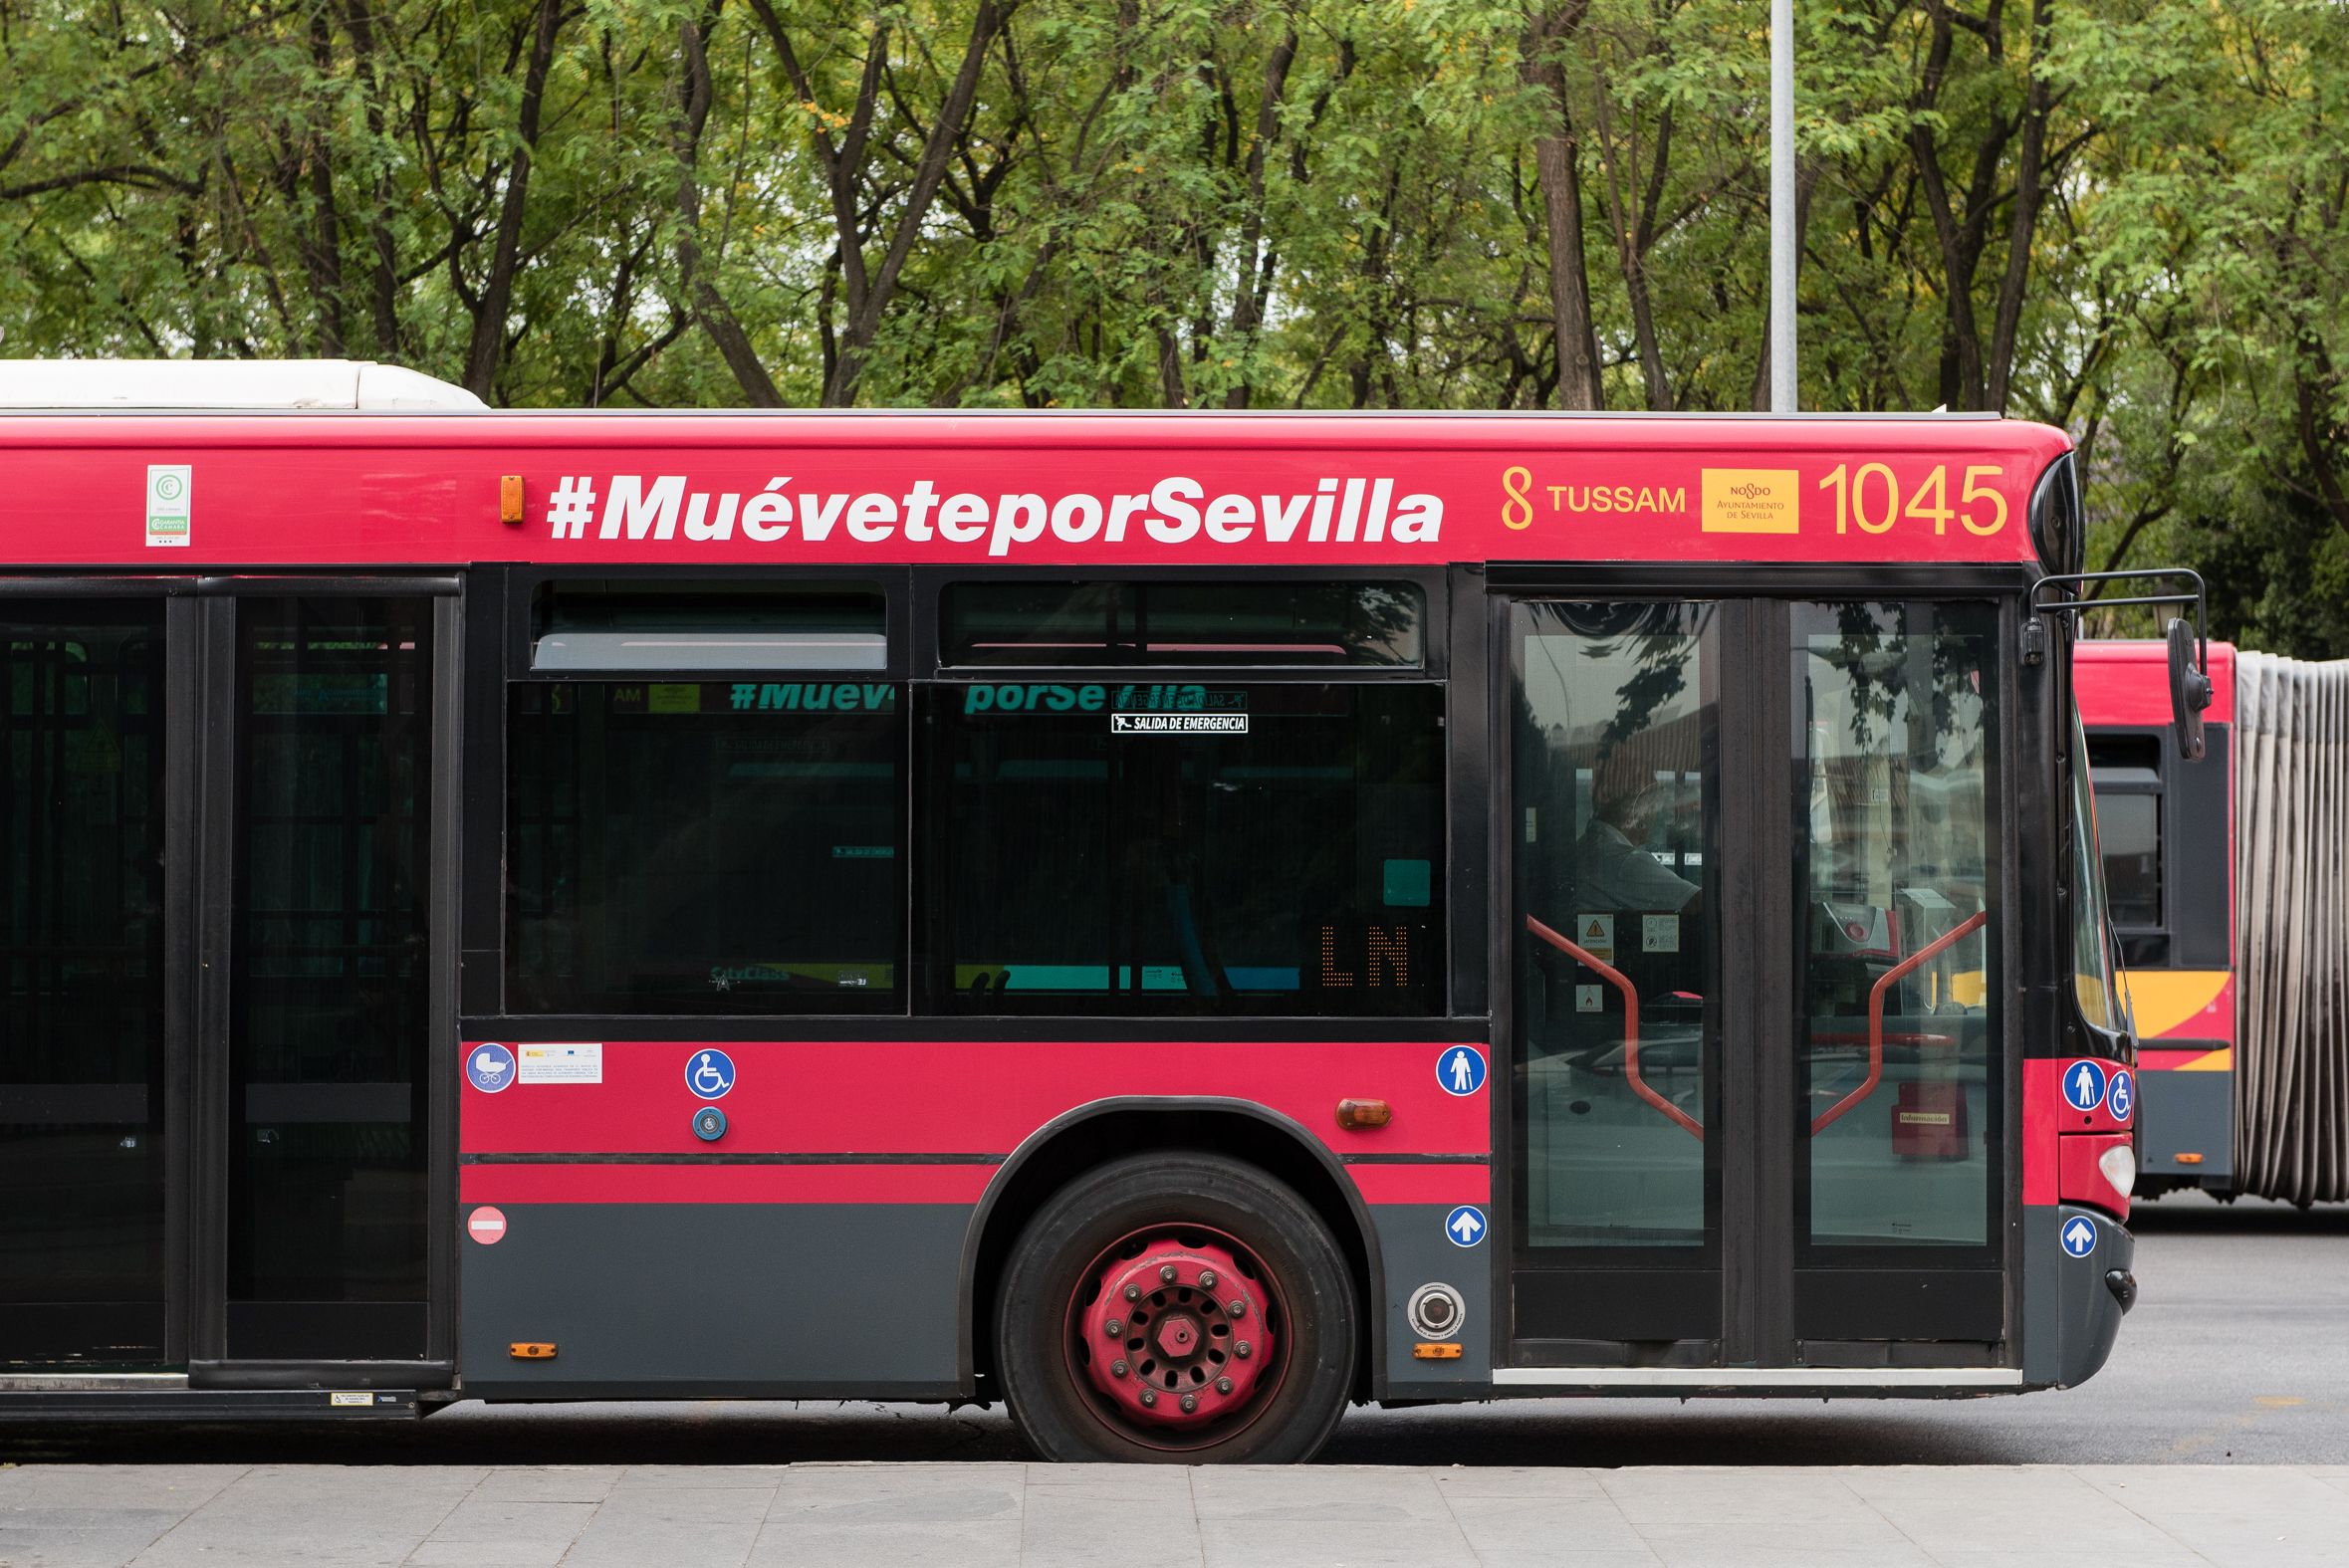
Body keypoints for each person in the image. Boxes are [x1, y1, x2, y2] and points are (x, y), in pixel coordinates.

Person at [1568, 771, 1699, 913]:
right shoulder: (1624, 861)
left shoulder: (1592, 844)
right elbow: (1698, 902)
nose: (1658, 816)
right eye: (1655, 805)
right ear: (1639, 815)